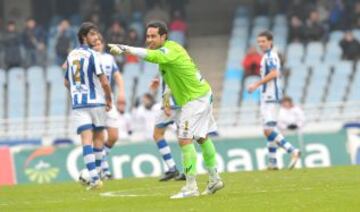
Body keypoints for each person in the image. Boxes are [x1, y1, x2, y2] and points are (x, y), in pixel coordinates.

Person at [108, 21, 224, 199]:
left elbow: (150, 56)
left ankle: (191, 187)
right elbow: (171, 77)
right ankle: (215, 178)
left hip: (195, 99)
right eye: (148, 36)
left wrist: (125, 48)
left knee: (184, 140)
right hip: (201, 94)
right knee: (202, 137)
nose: (150, 39)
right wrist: (166, 97)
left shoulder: (170, 50)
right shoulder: (167, 54)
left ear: (164, 36)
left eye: (153, 36)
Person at [64, 22, 112, 190]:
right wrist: (109, 99)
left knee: (86, 140)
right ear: (84, 37)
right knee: (99, 138)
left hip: (79, 103)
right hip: (97, 101)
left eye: (96, 34)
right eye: (92, 34)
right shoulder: (94, 55)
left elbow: (66, 81)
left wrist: (77, 91)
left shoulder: (70, 56)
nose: (96, 37)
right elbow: (104, 81)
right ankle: (96, 174)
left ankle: (94, 178)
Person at [247, 31, 301, 171]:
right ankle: (273, 163)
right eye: (259, 42)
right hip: (269, 96)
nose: (260, 44)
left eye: (263, 41)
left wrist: (256, 84)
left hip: (270, 96)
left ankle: (293, 151)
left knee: (268, 129)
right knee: (269, 129)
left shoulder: (270, 56)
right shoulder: (267, 55)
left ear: (270, 41)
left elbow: (274, 73)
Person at [92, 33, 125, 179]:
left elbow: (117, 76)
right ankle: (102, 170)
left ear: (103, 44)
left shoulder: (109, 58)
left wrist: (122, 93)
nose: (98, 46)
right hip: (95, 101)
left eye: (99, 43)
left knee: (113, 136)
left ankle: (101, 160)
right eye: (94, 44)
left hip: (109, 100)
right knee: (98, 136)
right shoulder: (88, 58)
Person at [150, 77, 186, 181]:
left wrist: (166, 103)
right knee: (184, 138)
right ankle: (188, 170)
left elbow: (169, 78)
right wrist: (159, 80)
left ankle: (172, 168)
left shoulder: (163, 61)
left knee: (158, 134)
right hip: (182, 102)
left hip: (171, 103)